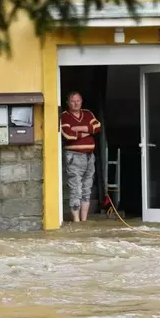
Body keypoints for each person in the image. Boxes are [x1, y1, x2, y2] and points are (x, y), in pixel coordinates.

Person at [60, 91, 102, 222]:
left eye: (78, 100)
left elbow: (97, 127)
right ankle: (76, 220)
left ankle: (84, 220)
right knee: (76, 189)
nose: (76, 103)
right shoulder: (64, 116)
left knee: (87, 188)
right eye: (73, 101)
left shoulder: (88, 113)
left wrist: (79, 128)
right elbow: (68, 135)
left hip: (90, 156)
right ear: (68, 103)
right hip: (74, 156)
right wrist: (88, 131)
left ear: (82, 101)